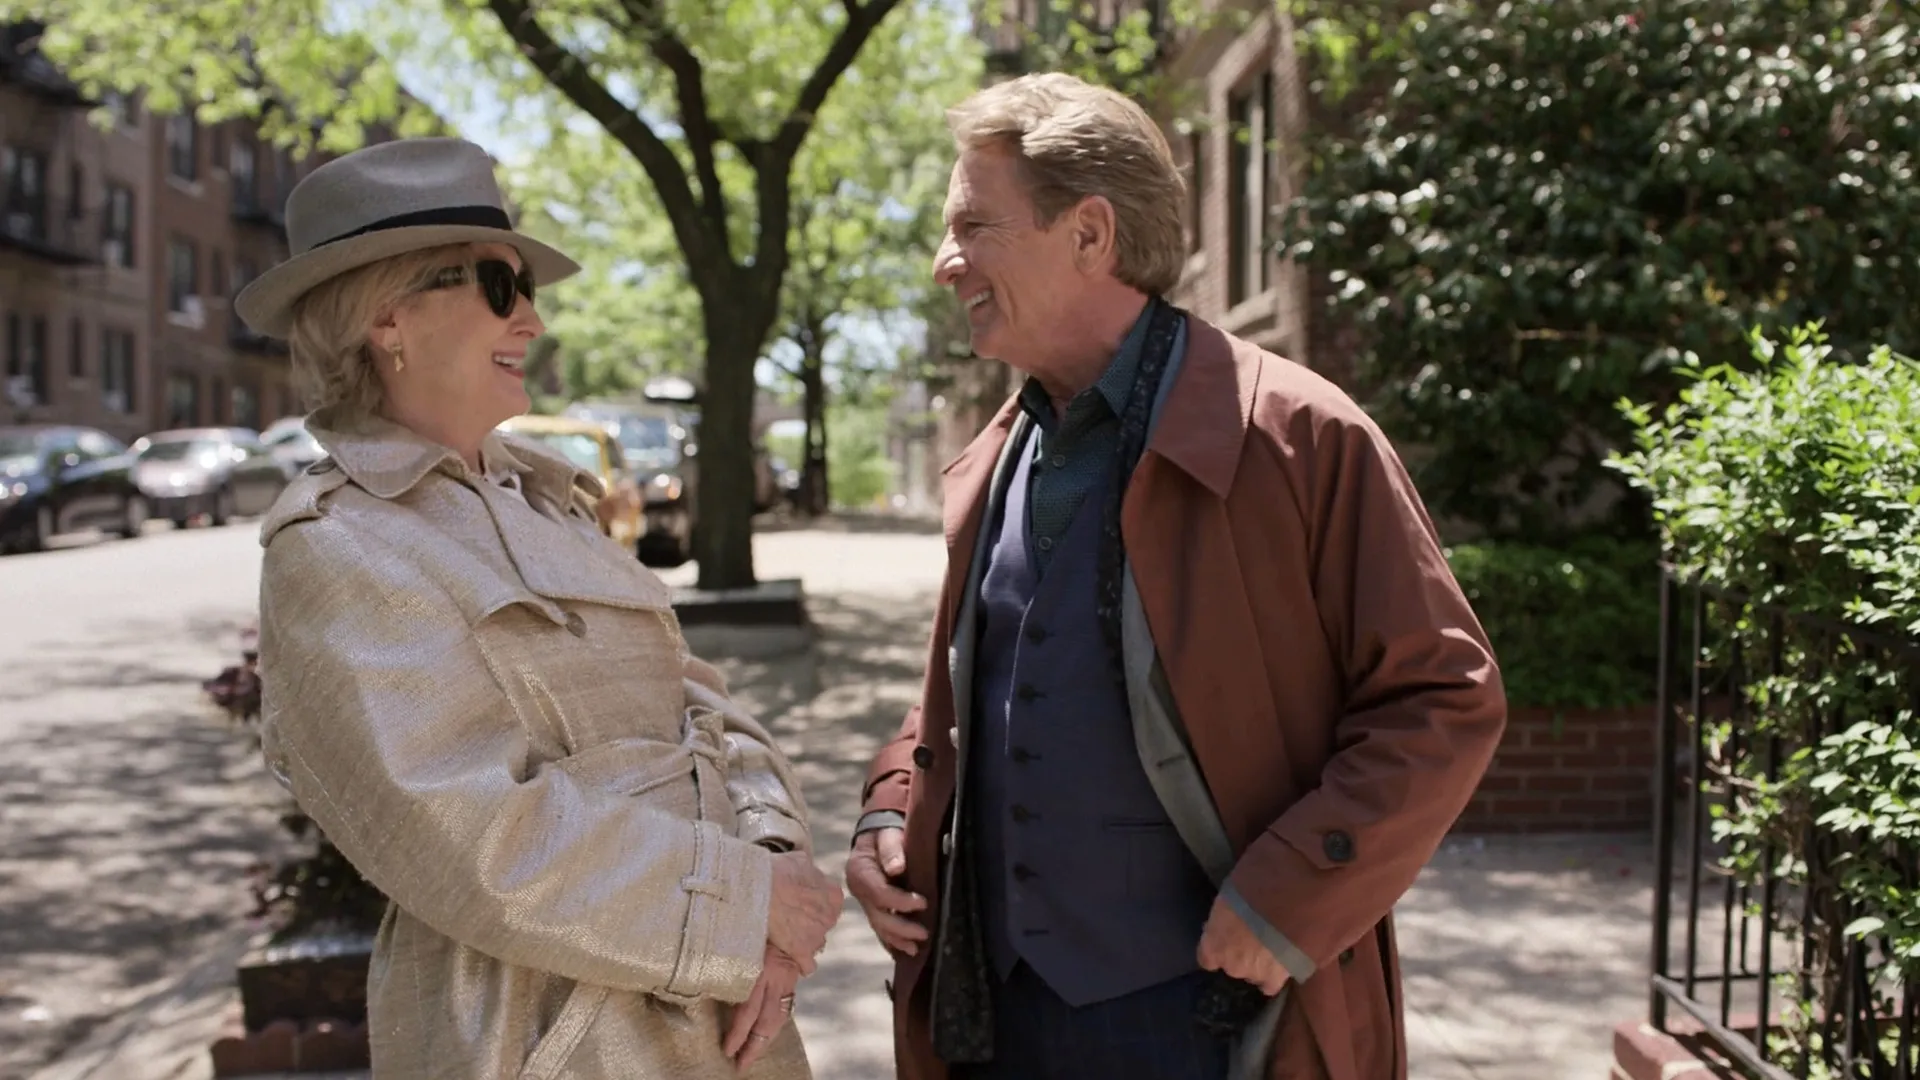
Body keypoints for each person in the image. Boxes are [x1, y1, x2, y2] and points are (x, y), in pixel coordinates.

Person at [844, 74, 1507, 1080]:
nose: (947, 263)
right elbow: (977, 689)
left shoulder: (1298, 436)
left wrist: (1290, 899)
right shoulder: (998, 456)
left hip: (1209, 1022)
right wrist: (892, 806)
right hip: (996, 1018)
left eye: (974, 225)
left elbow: (1445, 697)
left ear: (1090, 234)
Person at [238, 137, 842, 1080]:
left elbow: (697, 705)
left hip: (723, 1013)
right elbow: (470, 838)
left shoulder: (546, 497)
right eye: (498, 285)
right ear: (387, 316)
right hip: (537, 1034)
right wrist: (743, 902)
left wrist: (771, 858)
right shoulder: (333, 544)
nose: (533, 318)